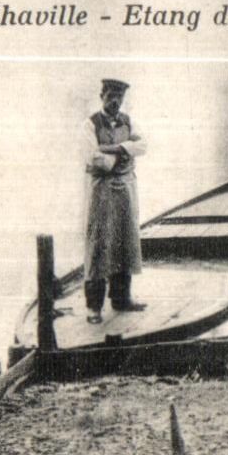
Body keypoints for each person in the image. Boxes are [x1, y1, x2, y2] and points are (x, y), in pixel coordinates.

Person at [83, 78, 148, 323]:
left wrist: (115, 148)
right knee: (99, 243)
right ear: (102, 95)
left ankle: (121, 299)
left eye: (119, 97)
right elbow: (93, 157)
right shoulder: (90, 124)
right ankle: (94, 307)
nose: (115, 101)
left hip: (126, 189)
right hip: (102, 189)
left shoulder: (129, 121)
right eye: (110, 95)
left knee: (125, 239)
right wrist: (123, 154)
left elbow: (143, 145)